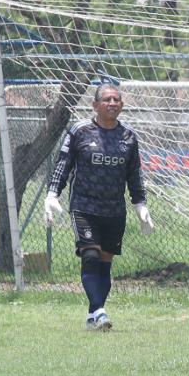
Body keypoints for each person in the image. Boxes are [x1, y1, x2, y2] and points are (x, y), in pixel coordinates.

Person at [43, 83, 154, 331]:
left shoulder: (128, 137)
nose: (112, 103)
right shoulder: (80, 131)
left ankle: (93, 315)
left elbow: (134, 174)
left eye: (117, 99)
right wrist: (52, 194)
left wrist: (140, 204)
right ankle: (101, 312)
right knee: (90, 256)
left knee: (104, 264)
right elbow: (63, 165)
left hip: (114, 211)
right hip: (84, 206)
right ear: (95, 105)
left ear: (122, 105)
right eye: (107, 99)